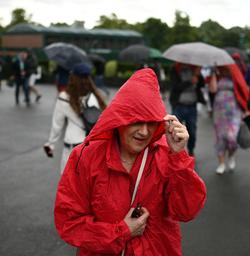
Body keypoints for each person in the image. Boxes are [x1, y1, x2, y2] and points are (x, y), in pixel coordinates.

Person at [54, 68, 206, 256]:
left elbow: (186, 211)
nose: (144, 132)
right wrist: (121, 231)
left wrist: (179, 157)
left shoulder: (167, 156)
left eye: (151, 123)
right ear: (120, 118)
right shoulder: (85, 156)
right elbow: (69, 223)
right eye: (136, 121)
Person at [44, 63, 107, 173]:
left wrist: (50, 144)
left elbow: (57, 125)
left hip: (72, 148)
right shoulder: (97, 96)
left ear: (72, 78)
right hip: (93, 148)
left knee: (68, 186)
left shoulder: (64, 98)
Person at [208, 64, 250, 174]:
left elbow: (244, 91)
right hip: (219, 112)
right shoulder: (217, 76)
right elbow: (212, 89)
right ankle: (221, 164)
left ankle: (231, 156)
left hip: (234, 111)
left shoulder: (236, 76)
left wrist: (246, 109)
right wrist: (213, 73)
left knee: (232, 137)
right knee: (220, 138)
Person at [169, 62, 206, 156]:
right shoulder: (175, 70)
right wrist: (190, 82)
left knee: (192, 131)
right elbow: (175, 87)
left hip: (192, 106)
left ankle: (191, 150)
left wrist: (198, 74)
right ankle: (175, 152)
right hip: (179, 105)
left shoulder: (194, 69)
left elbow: (201, 84)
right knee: (175, 131)